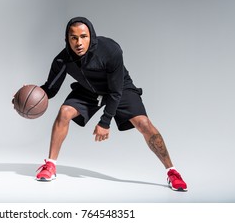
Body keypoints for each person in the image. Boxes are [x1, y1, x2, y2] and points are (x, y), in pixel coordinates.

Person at [36, 16, 187, 191]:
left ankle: (172, 171)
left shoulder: (110, 50)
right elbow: (50, 89)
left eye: (83, 36)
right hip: (88, 91)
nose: (79, 42)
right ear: (67, 39)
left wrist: (105, 121)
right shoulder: (63, 60)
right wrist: (30, 95)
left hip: (119, 87)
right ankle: (50, 165)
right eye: (74, 38)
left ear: (91, 36)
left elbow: (115, 92)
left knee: (144, 124)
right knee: (64, 112)